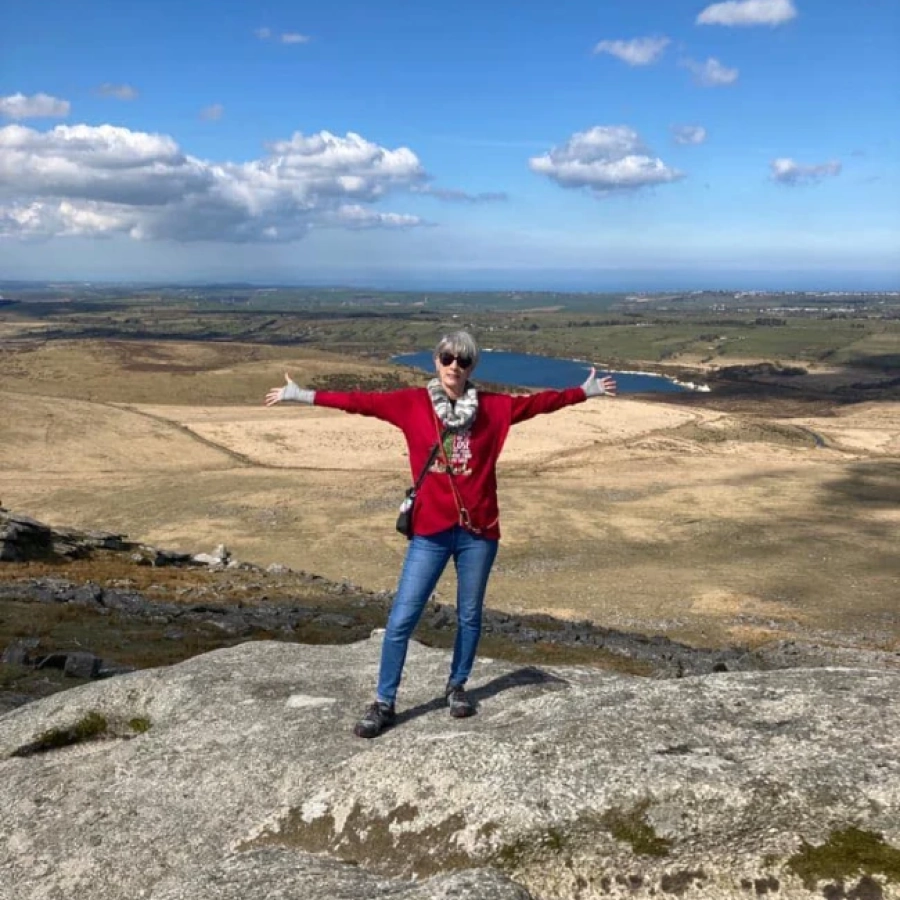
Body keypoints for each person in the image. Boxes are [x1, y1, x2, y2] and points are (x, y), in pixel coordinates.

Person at [265, 330, 616, 738]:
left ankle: (457, 686)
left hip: (478, 533)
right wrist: (301, 395)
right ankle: (383, 701)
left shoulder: (492, 409)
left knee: (469, 616)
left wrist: (583, 391)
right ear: (436, 361)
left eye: (463, 361)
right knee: (402, 618)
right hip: (430, 532)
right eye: (448, 358)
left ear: (472, 368)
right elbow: (359, 402)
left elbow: (538, 404)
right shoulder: (411, 404)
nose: (454, 366)